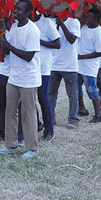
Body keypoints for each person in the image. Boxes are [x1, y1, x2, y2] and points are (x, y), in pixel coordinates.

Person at [0, 0, 41, 159]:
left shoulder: (33, 30)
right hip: (14, 77)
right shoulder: (14, 27)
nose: (16, 11)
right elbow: (10, 51)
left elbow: (29, 56)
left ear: (29, 12)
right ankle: (11, 144)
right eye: (15, 9)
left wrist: (7, 45)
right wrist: (2, 44)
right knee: (10, 112)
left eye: (20, 10)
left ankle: (32, 147)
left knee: (28, 113)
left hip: (29, 78)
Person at [48, 14, 81, 129]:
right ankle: (51, 118)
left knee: (72, 95)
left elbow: (72, 40)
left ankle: (73, 119)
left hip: (69, 65)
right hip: (53, 65)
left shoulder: (74, 22)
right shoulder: (51, 22)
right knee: (50, 94)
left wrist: (61, 24)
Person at [33, 13, 61, 142]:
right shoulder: (26, 23)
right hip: (30, 68)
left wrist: (39, 41)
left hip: (43, 68)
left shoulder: (47, 23)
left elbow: (57, 43)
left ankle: (49, 129)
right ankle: (37, 123)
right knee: (29, 99)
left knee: (43, 99)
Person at [77, 8, 101, 123]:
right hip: (79, 65)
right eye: (86, 16)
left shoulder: (98, 32)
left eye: (88, 17)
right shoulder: (84, 27)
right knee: (77, 89)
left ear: (96, 19)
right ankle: (82, 109)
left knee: (92, 90)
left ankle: (98, 114)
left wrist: (82, 57)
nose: (86, 19)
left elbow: (100, 52)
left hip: (89, 67)